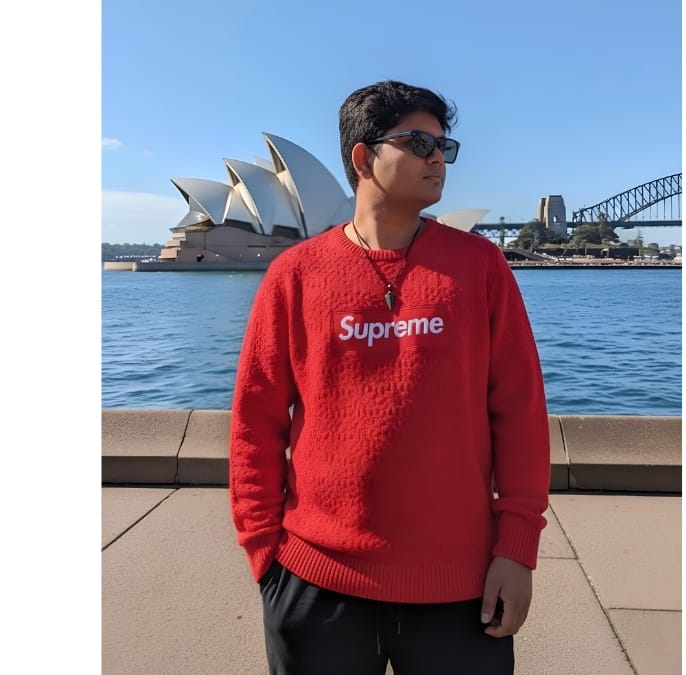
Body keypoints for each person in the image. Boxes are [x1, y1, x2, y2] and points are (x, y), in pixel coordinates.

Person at [229, 80, 550, 675]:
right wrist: (264, 554)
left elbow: (521, 412)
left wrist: (517, 548)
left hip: (462, 585)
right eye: (419, 143)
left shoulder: (480, 266)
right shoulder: (294, 274)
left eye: (444, 146)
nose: (438, 158)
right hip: (314, 580)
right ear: (363, 157)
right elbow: (255, 422)